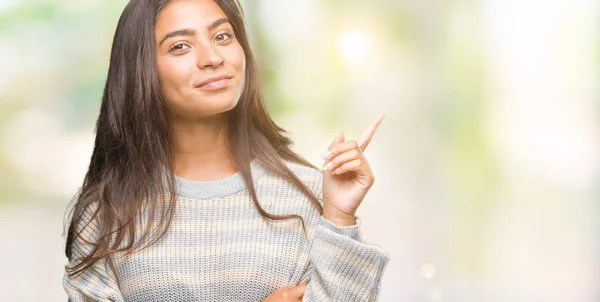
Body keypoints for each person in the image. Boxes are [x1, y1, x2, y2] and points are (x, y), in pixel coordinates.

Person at [62, 0, 390, 301]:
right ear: (141, 70)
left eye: (222, 36)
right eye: (180, 46)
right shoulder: (106, 215)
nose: (213, 58)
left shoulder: (310, 197)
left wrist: (339, 216)